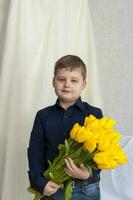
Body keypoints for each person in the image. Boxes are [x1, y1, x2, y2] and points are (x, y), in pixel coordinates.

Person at [27, 55, 103, 200]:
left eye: (74, 80)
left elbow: (100, 151)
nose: (67, 84)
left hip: (86, 189)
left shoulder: (94, 114)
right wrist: (39, 183)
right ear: (53, 81)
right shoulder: (43, 116)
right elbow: (35, 152)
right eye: (61, 79)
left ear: (84, 84)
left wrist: (88, 173)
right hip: (51, 187)